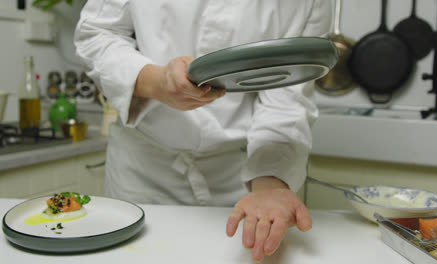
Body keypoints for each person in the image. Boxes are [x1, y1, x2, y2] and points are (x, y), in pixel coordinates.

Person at [74, 0, 331, 262]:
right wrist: (156, 82)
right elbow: (96, 33)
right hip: (144, 173)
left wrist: (270, 185)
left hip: (244, 178)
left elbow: (287, 96)